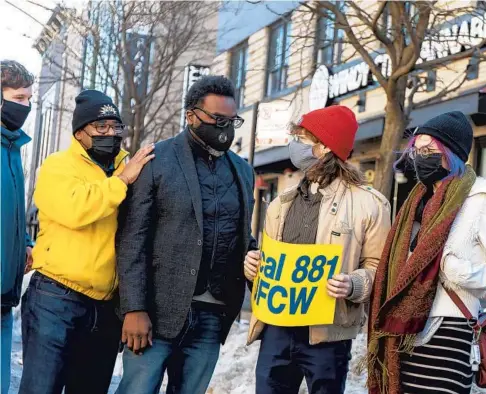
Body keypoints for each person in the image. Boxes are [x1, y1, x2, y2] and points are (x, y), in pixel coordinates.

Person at [115, 75, 256, 394]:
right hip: (154, 313)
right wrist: (134, 308)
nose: (226, 128)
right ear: (191, 115)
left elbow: (241, 236)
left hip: (211, 314)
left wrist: (254, 257)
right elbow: (132, 238)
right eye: (218, 119)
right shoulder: (156, 159)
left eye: (232, 120)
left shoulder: (243, 170)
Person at [244, 105, 391, 394]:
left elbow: (380, 268)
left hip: (328, 334)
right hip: (276, 328)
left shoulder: (370, 204)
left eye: (302, 138)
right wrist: (253, 267)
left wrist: (354, 284)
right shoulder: (280, 204)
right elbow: (268, 264)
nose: (294, 145)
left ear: (324, 147)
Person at [367, 111, 486, 394]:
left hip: (449, 330)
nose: (420, 157)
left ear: (452, 152)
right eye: (417, 150)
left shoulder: (481, 201)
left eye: (429, 150)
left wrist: (458, 270)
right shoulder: (415, 202)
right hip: (404, 331)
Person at [20, 90, 154, 394]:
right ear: (80, 133)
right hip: (55, 299)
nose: (111, 134)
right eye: (101, 127)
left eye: (116, 127)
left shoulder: (130, 167)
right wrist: (121, 182)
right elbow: (76, 209)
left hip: (105, 308)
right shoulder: (57, 167)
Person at [1, 60, 34, 394]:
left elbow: (11, 210)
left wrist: (25, 240)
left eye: (29, 99)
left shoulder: (13, 148)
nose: (26, 106)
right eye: (20, 98)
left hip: (5, 293)